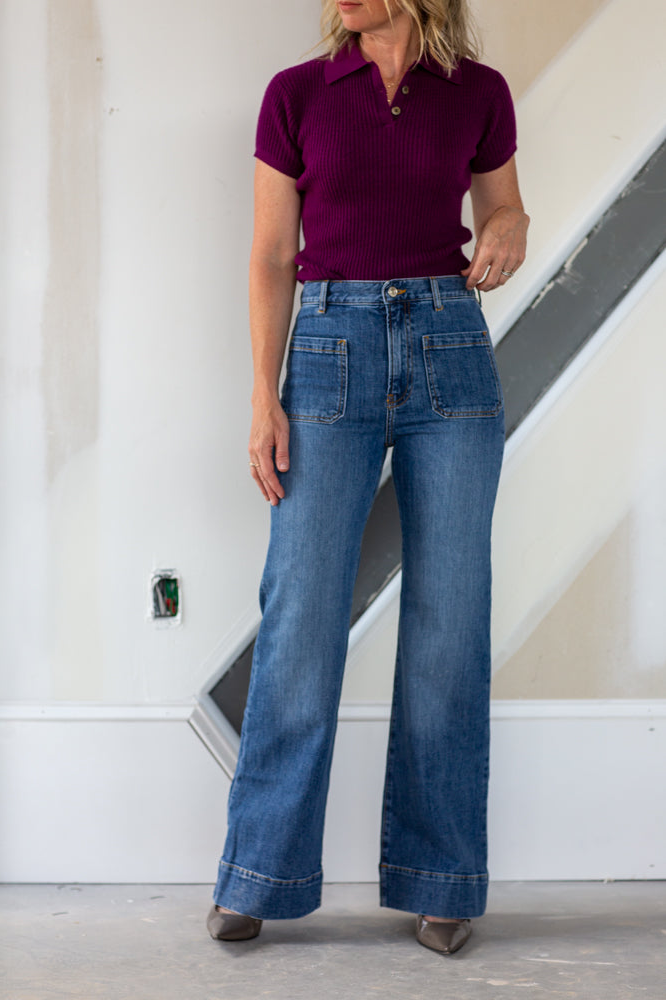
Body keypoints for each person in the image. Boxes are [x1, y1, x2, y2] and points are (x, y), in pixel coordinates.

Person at [207, 0, 528, 955]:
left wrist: (510, 222)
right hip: (327, 351)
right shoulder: (297, 94)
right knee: (300, 613)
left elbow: (499, 206)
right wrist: (262, 397)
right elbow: (272, 254)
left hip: (448, 349)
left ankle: (440, 878)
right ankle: (259, 872)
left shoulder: (477, 93)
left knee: (448, 622)